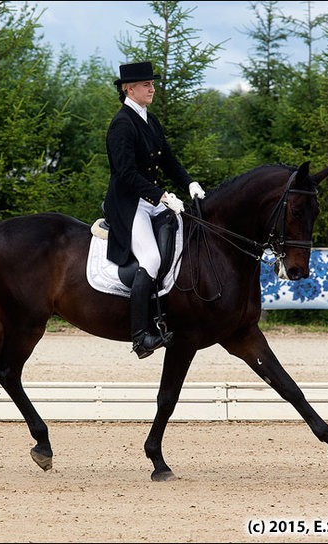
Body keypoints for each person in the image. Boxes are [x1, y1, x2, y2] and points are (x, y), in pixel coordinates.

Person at [103, 61, 206, 359]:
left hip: (150, 202)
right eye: (146, 85)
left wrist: (189, 184)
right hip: (128, 204)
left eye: (152, 84)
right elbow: (125, 173)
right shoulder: (122, 123)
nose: (152, 88)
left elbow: (169, 161)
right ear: (128, 89)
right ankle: (139, 336)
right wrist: (161, 195)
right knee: (151, 258)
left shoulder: (151, 120)